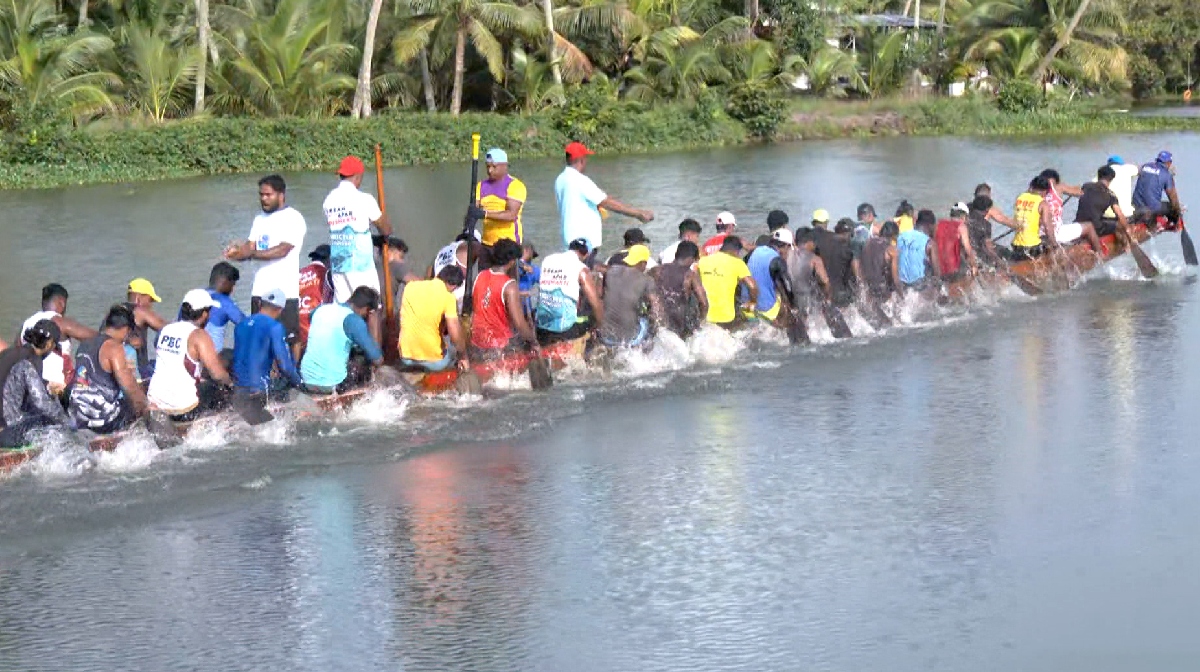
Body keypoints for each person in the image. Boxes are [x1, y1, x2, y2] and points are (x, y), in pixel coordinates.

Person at [224, 174, 306, 356]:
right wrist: (236, 254)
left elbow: (283, 250)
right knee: (261, 336)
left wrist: (251, 253)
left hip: (285, 291)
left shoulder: (293, 218)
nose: (264, 199)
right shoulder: (259, 219)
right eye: (261, 195)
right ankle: (268, 374)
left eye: (268, 195)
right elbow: (250, 247)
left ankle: (293, 375)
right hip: (260, 290)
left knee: (291, 338)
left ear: (281, 195)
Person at [147, 289, 234, 420]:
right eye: (209, 311)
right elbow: (218, 375)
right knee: (219, 389)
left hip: (155, 400)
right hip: (182, 409)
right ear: (204, 313)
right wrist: (233, 386)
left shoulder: (166, 329)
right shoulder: (199, 335)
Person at [555, 141, 653, 256]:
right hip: (584, 242)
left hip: (569, 238)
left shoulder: (561, 179)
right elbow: (606, 202)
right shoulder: (579, 180)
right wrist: (638, 214)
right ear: (582, 159)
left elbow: (600, 198)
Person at [69, 305, 148, 435]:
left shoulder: (84, 344)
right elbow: (129, 387)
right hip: (103, 421)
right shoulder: (114, 348)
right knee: (135, 406)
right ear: (127, 330)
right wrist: (147, 406)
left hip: (79, 416)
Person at [323, 155, 392, 302]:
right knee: (372, 308)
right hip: (361, 266)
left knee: (344, 309)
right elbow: (386, 229)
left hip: (339, 265)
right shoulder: (364, 199)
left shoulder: (329, 200)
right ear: (358, 177)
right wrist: (382, 213)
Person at [231, 288, 303, 420]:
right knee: (291, 382)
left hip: (239, 392)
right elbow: (285, 367)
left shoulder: (240, 325)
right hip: (260, 392)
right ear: (280, 309)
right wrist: (300, 384)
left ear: (260, 304)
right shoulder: (274, 327)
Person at [300, 287, 385, 394]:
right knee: (361, 360)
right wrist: (373, 320)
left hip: (306, 378)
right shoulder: (353, 320)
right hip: (331, 384)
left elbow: (312, 317)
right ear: (366, 309)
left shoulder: (320, 309)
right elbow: (377, 359)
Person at [0, 320, 70, 447]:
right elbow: (41, 403)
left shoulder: (8, 353)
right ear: (49, 344)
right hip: (7, 433)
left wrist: (47, 384)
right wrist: (68, 424)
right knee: (50, 418)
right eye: (55, 345)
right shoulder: (32, 360)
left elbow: (11, 382)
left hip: (4, 425)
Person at [19, 283, 97, 391]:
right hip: (56, 388)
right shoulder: (59, 321)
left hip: (28, 385)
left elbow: (16, 352)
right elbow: (96, 338)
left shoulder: (27, 323)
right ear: (62, 302)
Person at [470, 240, 540, 360]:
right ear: (512, 261)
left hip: (476, 342)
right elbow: (519, 324)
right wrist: (534, 342)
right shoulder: (509, 286)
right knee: (526, 343)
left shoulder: (479, 276)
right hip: (498, 346)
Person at [399, 267, 469, 372]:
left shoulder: (410, 287)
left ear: (437, 276)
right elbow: (454, 331)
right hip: (434, 362)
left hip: (405, 357)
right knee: (454, 347)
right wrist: (463, 356)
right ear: (454, 286)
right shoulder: (448, 297)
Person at [536, 238, 605, 344]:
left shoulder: (548, 259)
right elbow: (595, 302)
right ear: (587, 254)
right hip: (563, 329)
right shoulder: (580, 268)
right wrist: (600, 325)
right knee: (593, 317)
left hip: (542, 324)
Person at [599, 244, 662, 347]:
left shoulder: (610, 271)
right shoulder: (646, 280)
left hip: (606, 336)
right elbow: (656, 308)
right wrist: (659, 326)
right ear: (643, 263)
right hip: (630, 339)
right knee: (646, 321)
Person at [697, 236, 757, 328]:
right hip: (726, 318)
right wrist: (751, 303)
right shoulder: (738, 263)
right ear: (736, 251)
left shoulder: (703, 261)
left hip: (705, 316)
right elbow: (752, 287)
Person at [650, 241, 707, 338]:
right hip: (680, 322)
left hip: (659, 320)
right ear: (693, 259)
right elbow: (703, 303)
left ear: (676, 254)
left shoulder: (656, 270)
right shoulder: (690, 275)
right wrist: (700, 321)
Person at [1076, 165, 1137, 251]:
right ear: (1111, 179)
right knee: (1119, 225)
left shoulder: (1086, 186)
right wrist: (1127, 229)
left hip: (1079, 223)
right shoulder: (1110, 194)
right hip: (1095, 227)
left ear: (1099, 176)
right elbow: (1119, 215)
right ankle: (1126, 247)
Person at [192, 262, 245, 355]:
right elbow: (246, 323)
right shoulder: (224, 302)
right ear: (225, 282)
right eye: (232, 285)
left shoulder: (193, 296)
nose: (232, 290)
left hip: (189, 353)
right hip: (210, 356)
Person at [477, 148, 527, 246]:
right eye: (487, 167)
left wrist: (485, 214)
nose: (490, 170)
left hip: (509, 244)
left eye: (494, 167)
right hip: (487, 243)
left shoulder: (515, 185)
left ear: (504, 166)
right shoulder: (480, 185)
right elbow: (474, 210)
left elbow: (511, 215)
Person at [121, 278, 167, 378]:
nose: (151, 305)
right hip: (139, 370)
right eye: (150, 300)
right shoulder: (140, 311)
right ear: (139, 297)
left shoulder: (113, 312)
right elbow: (170, 328)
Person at [813, 217, 857, 308]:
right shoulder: (847, 247)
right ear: (850, 233)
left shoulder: (821, 242)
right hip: (841, 293)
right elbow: (852, 275)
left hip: (823, 293)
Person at [744, 234, 790, 322]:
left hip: (746, 306)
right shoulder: (776, 260)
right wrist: (792, 306)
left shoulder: (751, 255)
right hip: (766, 309)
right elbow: (787, 287)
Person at [966, 184, 1014, 266]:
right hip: (979, 249)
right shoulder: (987, 218)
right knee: (1005, 252)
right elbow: (1008, 222)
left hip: (966, 247)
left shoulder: (966, 207)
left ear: (974, 195)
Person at [298, 244, 335, 352]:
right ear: (329, 260)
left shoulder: (299, 273)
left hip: (296, 330)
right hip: (314, 328)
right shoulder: (329, 274)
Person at [1132, 150, 1182, 227]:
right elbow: (1173, 198)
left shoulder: (1145, 166)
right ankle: (1174, 224)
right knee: (1172, 206)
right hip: (1151, 208)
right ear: (1169, 163)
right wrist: (1178, 212)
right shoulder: (1167, 175)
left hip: (1135, 205)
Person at [375, 235, 421, 318]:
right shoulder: (395, 265)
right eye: (401, 257)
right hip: (387, 317)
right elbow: (420, 284)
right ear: (389, 252)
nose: (403, 262)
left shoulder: (373, 265)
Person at [1039, 168, 1085, 248]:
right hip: (1054, 233)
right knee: (1088, 227)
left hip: (1037, 234)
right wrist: (1077, 188)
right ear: (1056, 180)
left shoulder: (1035, 192)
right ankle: (1099, 253)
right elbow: (1080, 193)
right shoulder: (1059, 187)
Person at [1011, 176, 1054, 261]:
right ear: (1045, 191)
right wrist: (1055, 244)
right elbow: (1047, 226)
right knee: (1048, 242)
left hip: (1016, 245)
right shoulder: (1043, 203)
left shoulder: (1019, 197)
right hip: (1032, 247)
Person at [896, 210, 940, 291]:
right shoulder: (930, 243)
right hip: (919, 286)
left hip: (901, 285)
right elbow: (936, 274)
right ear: (931, 226)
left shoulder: (900, 237)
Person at [934, 203, 978, 280]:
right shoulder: (961, 227)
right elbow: (968, 249)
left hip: (937, 267)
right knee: (971, 274)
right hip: (952, 268)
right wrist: (974, 265)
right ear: (964, 217)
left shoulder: (939, 223)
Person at [859, 220, 900, 305]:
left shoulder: (867, 243)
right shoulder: (891, 250)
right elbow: (895, 279)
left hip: (868, 289)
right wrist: (902, 296)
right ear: (894, 236)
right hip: (883, 291)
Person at [1102, 156, 1139, 221]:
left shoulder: (1102, 172)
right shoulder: (1128, 168)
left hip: (1105, 216)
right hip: (1126, 215)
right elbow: (1139, 169)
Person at [517, 243, 540, 318]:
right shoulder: (532, 269)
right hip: (525, 309)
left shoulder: (509, 265)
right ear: (526, 251)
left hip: (518, 307)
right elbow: (545, 280)